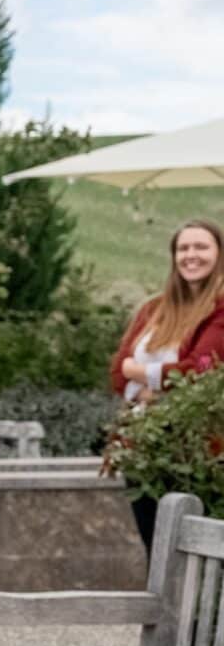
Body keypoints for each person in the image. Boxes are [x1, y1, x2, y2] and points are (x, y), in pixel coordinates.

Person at [111, 219, 224, 549]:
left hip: (196, 449)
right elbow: (117, 373)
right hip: (143, 446)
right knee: (156, 545)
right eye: (183, 248)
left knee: (195, 547)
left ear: (219, 254)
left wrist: (141, 375)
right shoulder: (153, 309)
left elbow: (198, 370)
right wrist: (156, 381)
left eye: (201, 247)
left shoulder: (220, 309)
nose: (191, 255)